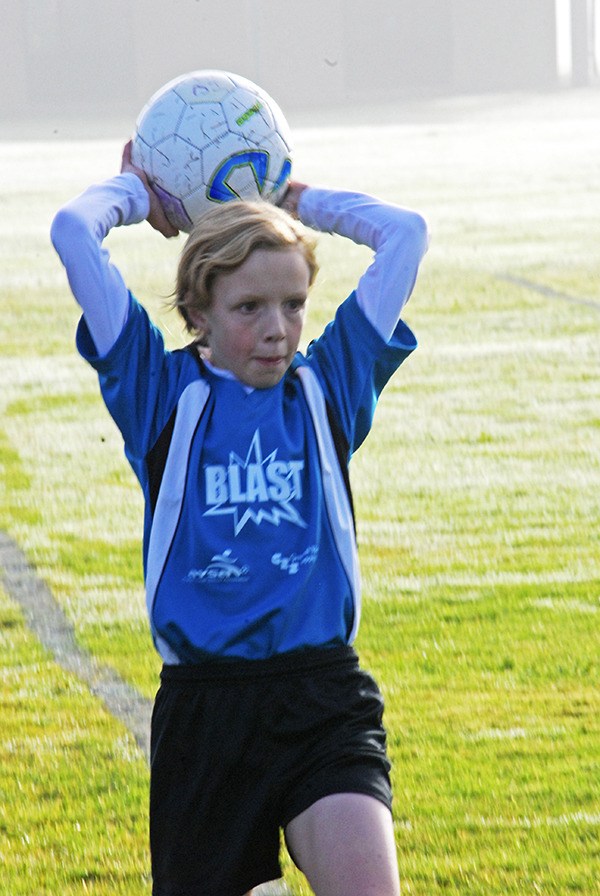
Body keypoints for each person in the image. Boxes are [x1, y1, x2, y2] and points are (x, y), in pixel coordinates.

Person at [51, 140, 428, 896]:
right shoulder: (157, 393)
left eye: (293, 305)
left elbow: (405, 233)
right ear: (198, 312)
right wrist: (136, 193)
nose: (278, 329)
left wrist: (296, 199)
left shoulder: (328, 388)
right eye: (249, 308)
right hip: (205, 715)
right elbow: (72, 230)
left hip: (323, 698)